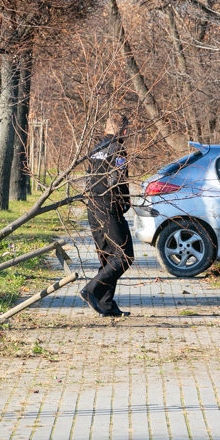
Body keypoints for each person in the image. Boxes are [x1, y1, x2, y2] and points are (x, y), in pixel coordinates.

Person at [79, 114, 134, 317]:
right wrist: (124, 204)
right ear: (124, 131)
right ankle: (91, 289)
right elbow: (117, 181)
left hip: (93, 207)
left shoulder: (96, 150)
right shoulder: (118, 150)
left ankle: (106, 304)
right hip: (109, 208)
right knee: (124, 255)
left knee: (107, 257)